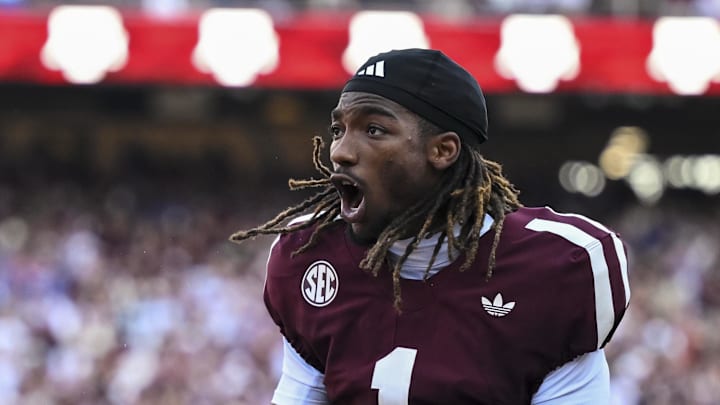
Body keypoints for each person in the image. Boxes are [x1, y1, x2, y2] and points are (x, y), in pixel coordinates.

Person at [230, 48, 630, 404]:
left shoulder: (558, 268)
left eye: (374, 130)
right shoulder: (309, 255)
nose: (340, 151)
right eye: (339, 129)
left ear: (442, 151)